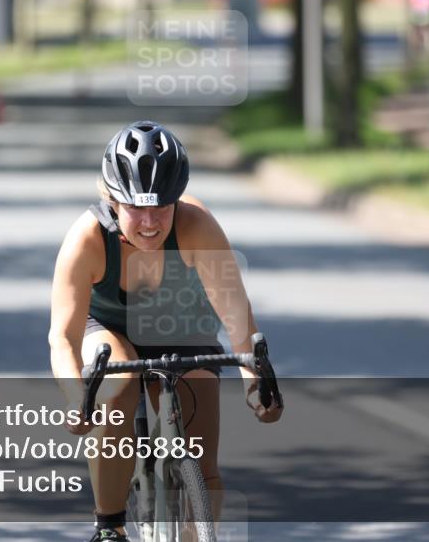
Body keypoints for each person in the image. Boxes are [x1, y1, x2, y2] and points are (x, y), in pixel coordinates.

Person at [50, 121, 282, 542]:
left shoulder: (198, 227)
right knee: (117, 386)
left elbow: (236, 316)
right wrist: (74, 399)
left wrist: (255, 384)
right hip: (106, 326)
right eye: (136, 208)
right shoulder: (87, 239)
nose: (151, 221)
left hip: (178, 322)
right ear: (112, 200)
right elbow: (62, 337)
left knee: (202, 456)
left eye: (162, 206)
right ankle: (110, 526)